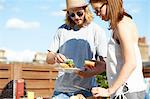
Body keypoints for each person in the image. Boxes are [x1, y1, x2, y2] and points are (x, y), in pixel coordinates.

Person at [46, 0, 107, 98]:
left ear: (86, 10)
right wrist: (55, 56)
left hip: (87, 90)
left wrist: (89, 73)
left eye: (79, 13)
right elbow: (48, 58)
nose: (76, 17)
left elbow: (104, 64)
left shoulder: (96, 30)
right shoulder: (61, 30)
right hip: (62, 91)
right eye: (72, 15)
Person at [89, 0, 147, 99]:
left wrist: (109, 91)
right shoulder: (121, 23)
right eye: (95, 12)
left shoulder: (122, 25)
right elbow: (123, 60)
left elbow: (131, 63)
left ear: (110, 3)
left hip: (127, 92)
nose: (98, 14)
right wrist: (104, 65)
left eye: (98, 10)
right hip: (127, 91)